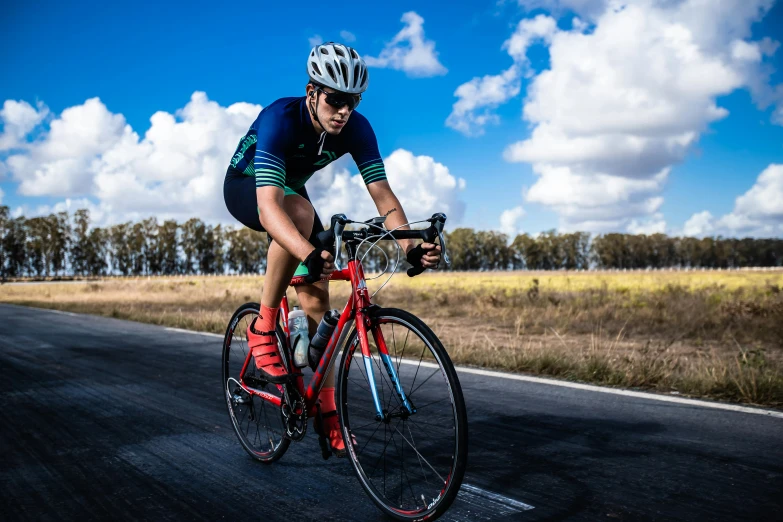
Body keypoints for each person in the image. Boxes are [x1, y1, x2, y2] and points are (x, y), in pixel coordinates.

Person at [223, 42, 441, 457]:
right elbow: (270, 209)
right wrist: (305, 252)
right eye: (335, 100)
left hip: (291, 191)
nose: (344, 111)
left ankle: (326, 413)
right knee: (301, 217)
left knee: (319, 302)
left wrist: (411, 247)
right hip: (248, 185)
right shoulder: (279, 119)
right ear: (312, 92)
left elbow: (383, 195)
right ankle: (263, 326)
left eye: (352, 102)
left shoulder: (357, 128)